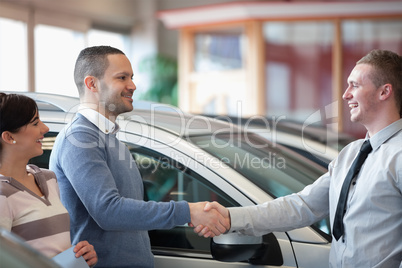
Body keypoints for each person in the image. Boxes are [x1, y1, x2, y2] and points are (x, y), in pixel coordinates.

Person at [197, 49, 402, 267]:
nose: (346, 94)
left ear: (384, 92)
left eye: (355, 85)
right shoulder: (351, 154)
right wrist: (230, 217)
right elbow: (301, 206)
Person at [49, 45, 229, 268]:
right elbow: (109, 211)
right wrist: (188, 211)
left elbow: (128, 210)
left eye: (131, 77)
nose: (132, 86)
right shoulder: (79, 138)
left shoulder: (108, 136)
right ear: (91, 84)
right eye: (122, 77)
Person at [0, 93, 98, 267]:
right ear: (9, 137)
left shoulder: (48, 178)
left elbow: (52, 248)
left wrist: (79, 255)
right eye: (35, 123)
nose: (44, 128)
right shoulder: (2, 194)